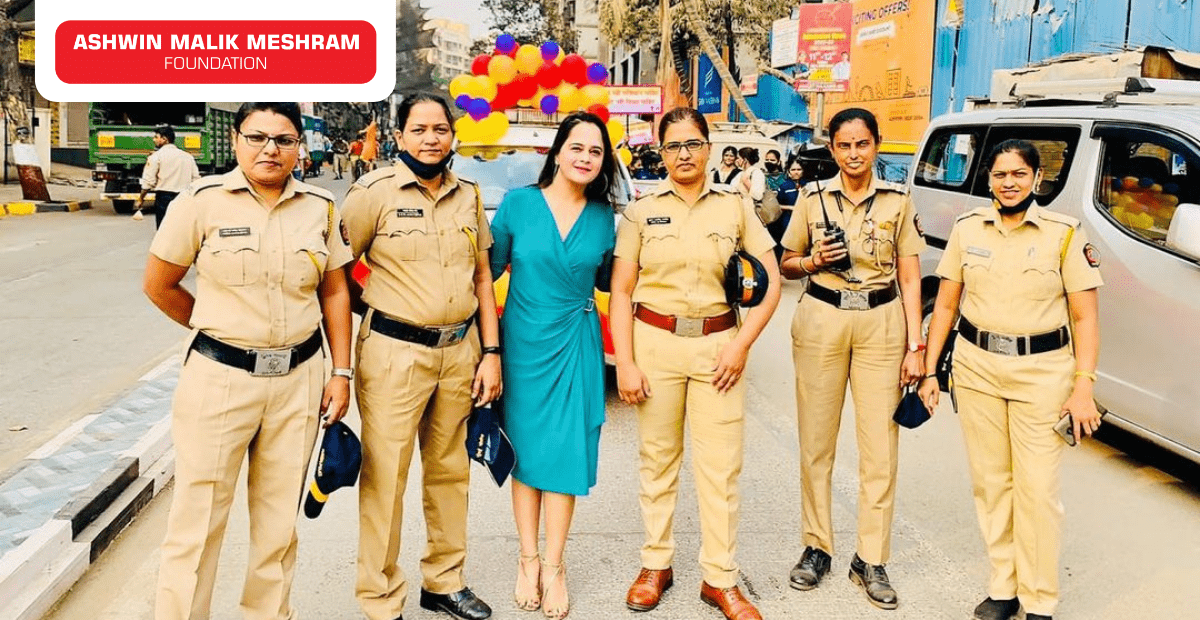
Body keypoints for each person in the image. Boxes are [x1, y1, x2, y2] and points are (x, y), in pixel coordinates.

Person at [143, 102, 354, 620]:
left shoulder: (321, 207)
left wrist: (341, 371)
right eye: (258, 137)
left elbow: (334, 293)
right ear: (237, 140)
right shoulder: (200, 202)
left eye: (283, 139)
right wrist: (217, 328)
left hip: (298, 381)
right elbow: (159, 285)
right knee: (197, 523)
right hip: (219, 380)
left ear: (298, 146)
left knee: (279, 525)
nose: (270, 149)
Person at [918, 140, 1103, 620]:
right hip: (978, 368)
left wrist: (1084, 386)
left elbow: (1085, 319)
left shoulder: (1063, 234)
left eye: (1019, 174)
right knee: (992, 484)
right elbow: (945, 304)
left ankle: (1040, 599)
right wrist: (930, 367)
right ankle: (1004, 588)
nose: (1009, 182)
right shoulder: (967, 229)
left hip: (1042, 375)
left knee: (1037, 491)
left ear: (1037, 179)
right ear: (989, 180)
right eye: (1000, 174)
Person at [613, 107, 781, 620]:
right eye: (672, 146)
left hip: (718, 347)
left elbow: (770, 282)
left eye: (692, 144)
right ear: (660, 153)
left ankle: (720, 579)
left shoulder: (735, 207)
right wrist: (624, 362)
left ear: (708, 147)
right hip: (655, 343)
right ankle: (655, 564)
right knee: (657, 462)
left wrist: (741, 344)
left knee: (720, 468)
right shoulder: (642, 211)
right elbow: (621, 291)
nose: (683, 155)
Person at [341, 93, 501, 620]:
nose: (432, 138)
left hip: (460, 352)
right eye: (420, 129)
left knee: (451, 471)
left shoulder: (468, 196)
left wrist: (491, 352)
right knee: (386, 476)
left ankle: (444, 581)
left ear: (452, 136)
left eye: (441, 129)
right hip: (393, 354)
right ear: (400, 136)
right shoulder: (372, 193)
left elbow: (482, 277)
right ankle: (380, 598)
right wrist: (381, 313)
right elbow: (338, 274)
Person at [778, 107, 925, 610]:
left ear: (876, 145)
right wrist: (814, 260)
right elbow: (786, 262)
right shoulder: (810, 198)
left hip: (882, 323)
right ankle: (817, 546)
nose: (854, 154)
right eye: (844, 145)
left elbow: (910, 277)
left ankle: (871, 556)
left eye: (863, 144)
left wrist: (916, 345)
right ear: (833, 149)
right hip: (822, 317)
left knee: (879, 447)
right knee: (817, 440)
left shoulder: (899, 202)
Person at [489, 111, 618, 620]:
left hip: (576, 342)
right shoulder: (518, 206)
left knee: (564, 457)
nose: (585, 158)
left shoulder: (606, 216)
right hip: (521, 343)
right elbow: (486, 276)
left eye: (596, 151)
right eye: (577, 147)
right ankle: (528, 559)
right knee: (525, 455)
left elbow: (615, 283)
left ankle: (556, 566)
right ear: (558, 150)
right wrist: (485, 350)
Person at [136, 124, 199, 228]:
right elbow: (196, 179)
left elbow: (148, 182)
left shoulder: (156, 157)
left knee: (163, 230)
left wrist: (141, 199)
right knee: (182, 229)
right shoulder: (187, 157)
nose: (154, 140)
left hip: (164, 199)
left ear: (164, 139)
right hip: (184, 198)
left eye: (156, 137)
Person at [768, 157, 805, 260]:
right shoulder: (784, 186)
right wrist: (791, 208)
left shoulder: (807, 185)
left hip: (804, 220)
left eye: (799, 169)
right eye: (793, 170)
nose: (796, 172)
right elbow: (777, 205)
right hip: (788, 221)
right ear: (788, 172)